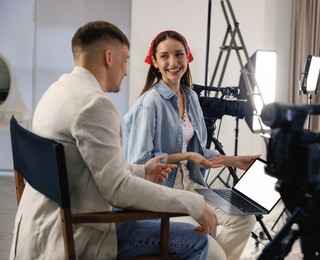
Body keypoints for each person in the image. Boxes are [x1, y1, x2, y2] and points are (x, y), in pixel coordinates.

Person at [9, 21, 218, 260]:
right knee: (197, 241)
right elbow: (118, 190)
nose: (127, 70)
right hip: (81, 230)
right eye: (126, 59)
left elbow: (88, 162)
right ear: (109, 57)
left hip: (40, 225)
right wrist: (194, 203)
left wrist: (141, 171)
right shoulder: (94, 105)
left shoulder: (58, 90)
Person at [123, 30, 259, 260]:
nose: (173, 62)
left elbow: (198, 154)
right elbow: (140, 162)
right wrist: (185, 156)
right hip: (164, 191)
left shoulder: (191, 97)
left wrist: (235, 161)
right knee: (210, 247)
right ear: (155, 63)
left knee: (245, 217)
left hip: (193, 183)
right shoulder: (149, 104)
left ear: (188, 57)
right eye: (164, 56)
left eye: (179, 54)